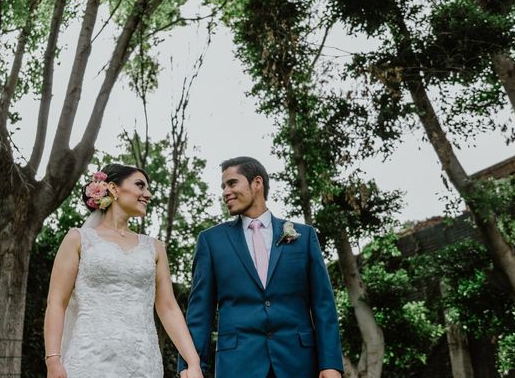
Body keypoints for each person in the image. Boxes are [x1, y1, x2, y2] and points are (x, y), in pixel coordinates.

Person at [179, 156, 345, 378]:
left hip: (298, 363)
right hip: (238, 365)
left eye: (232, 183)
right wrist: (190, 366)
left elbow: (323, 304)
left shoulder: (304, 237)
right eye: (223, 186)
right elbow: (200, 312)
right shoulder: (211, 241)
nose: (225, 192)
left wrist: (331, 364)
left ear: (257, 183)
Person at [43, 163, 204, 378]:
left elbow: (168, 307)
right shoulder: (78, 239)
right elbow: (57, 302)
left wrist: (193, 363)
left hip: (142, 361)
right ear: (113, 188)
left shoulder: (154, 248)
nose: (148, 194)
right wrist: (53, 360)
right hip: (89, 359)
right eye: (140, 185)